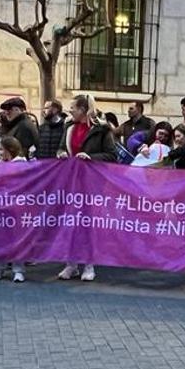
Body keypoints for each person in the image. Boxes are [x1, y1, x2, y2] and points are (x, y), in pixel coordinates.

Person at [57, 95, 116, 282]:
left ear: (83, 110)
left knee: (88, 225)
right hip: (71, 182)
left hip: (92, 184)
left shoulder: (102, 129)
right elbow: (60, 148)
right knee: (70, 223)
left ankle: (89, 264)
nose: (70, 111)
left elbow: (111, 155)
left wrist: (91, 157)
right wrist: (61, 153)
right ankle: (71, 264)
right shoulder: (69, 127)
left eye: (73, 107)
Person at [0, 137, 29, 283]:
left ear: (10, 150)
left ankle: (18, 270)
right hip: (0, 206)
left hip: (17, 207)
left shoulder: (22, 165)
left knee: (17, 239)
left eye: (1, 149)